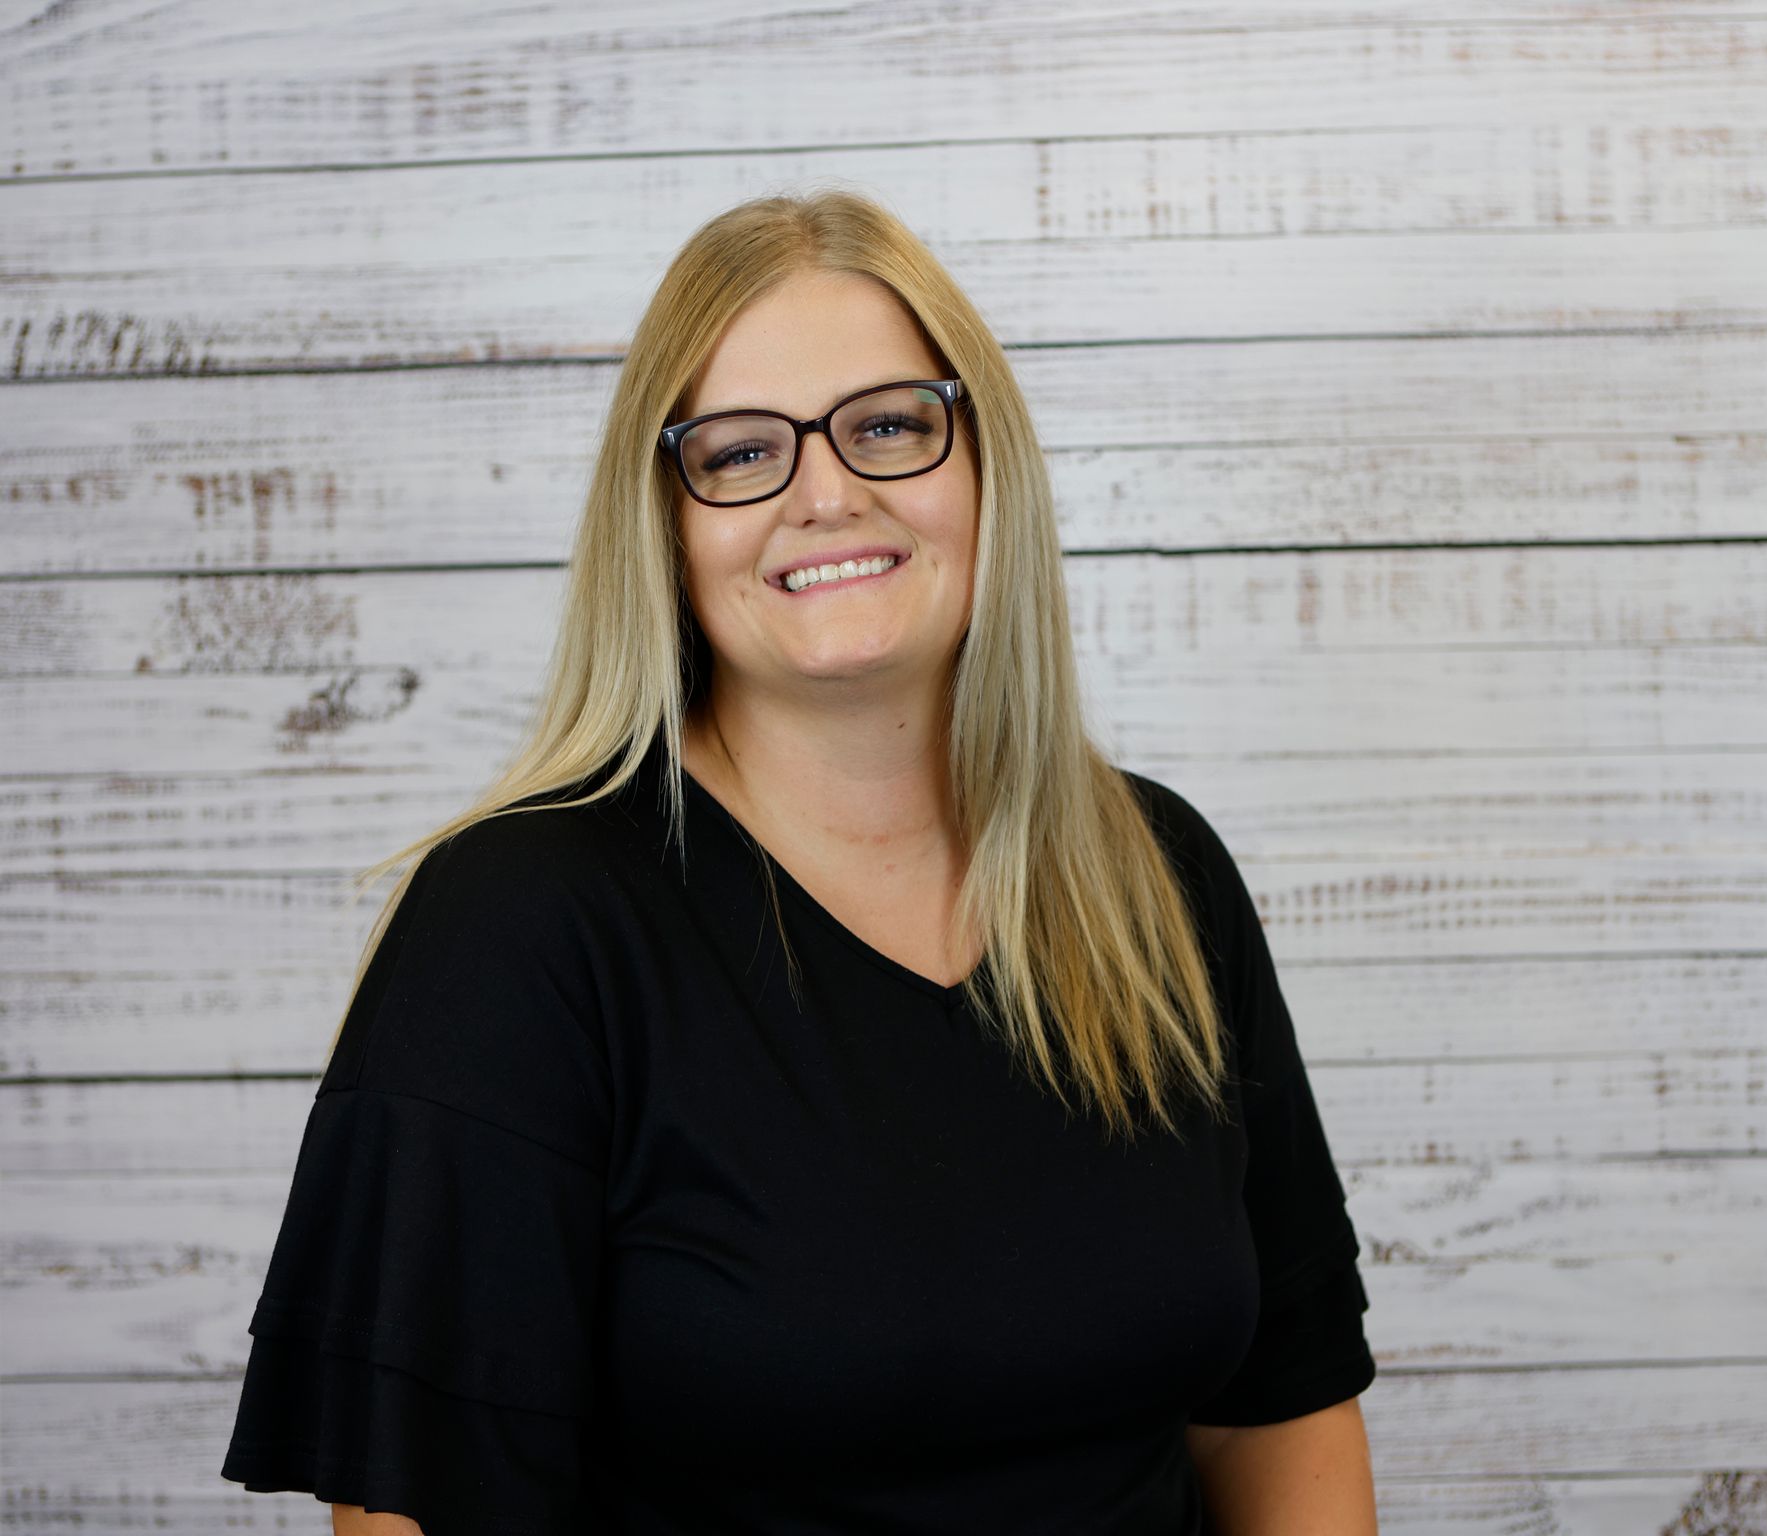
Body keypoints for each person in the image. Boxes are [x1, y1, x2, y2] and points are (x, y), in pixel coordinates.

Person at [218, 187, 1380, 1534]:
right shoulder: (520, 930)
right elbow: (419, 1511)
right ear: (666, 518)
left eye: (890, 426)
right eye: (740, 452)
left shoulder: (1155, 874)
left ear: (984, 462)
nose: (828, 493)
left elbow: (1280, 1416)